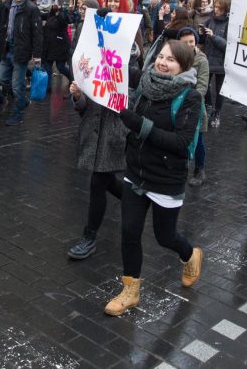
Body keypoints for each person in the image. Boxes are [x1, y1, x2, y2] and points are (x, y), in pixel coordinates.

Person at [104, 41, 204, 316]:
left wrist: (140, 125)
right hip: (136, 173)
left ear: (182, 66)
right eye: (160, 56)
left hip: (166, 179)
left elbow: (182, 143)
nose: (162, 62)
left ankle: (190, 254)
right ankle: (130, 291)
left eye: (170, 60)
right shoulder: (146, 84)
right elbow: (114, 69)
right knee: (129, 232)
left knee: (165, 236)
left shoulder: (190, 97)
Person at [66, 77, 126, 260]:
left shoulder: (125, 71)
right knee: (105, 181)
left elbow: (132, 109)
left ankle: (89, 237)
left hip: (113, 137)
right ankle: (137, 199)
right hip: (93, 134)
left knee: (97, 182)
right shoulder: (95, 68)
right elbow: (85, 109)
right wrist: (78, 95)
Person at [0, 0, 43, 125]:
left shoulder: (31, 8)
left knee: (17, 86)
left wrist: (37, 55)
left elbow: (37, 33)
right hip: (7, 49)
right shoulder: (7, 6)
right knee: (1, 79)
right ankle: (22, 101)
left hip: (21, 51)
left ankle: (18, 115)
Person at [177, 27, 210, 186]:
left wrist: (191, 99)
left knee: (198, 139)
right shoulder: (176, 56)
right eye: (185, 42)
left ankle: (199, 169)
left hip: (194, 105)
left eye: (191, 41)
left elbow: (203, 85)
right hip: (176, 103)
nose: (189, 45)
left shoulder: (201, 60)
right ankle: (180, 167)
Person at [201, 0, 229, 127]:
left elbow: (228, 45)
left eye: (220, 8)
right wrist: (201, 33)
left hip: (221, 63)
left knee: (219, 90)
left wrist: (213, 37)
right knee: (204, 86)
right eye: (216, 7)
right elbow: (202, 40)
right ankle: (209, 107)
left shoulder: (229, 23)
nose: (216, 10)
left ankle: (217, 113)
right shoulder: (209, 20)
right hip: (207, 59)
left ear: (225, 9)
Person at [41, 4, 73, 88]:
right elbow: (40, 15)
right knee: (47, 68)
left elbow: (66, 20)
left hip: (61, 47)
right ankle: (47, 88)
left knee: (60, 67)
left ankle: (72, 79)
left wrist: (60, 10)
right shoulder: (50, 15)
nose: (55, 6)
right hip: (49, 46)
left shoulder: (63, 15)